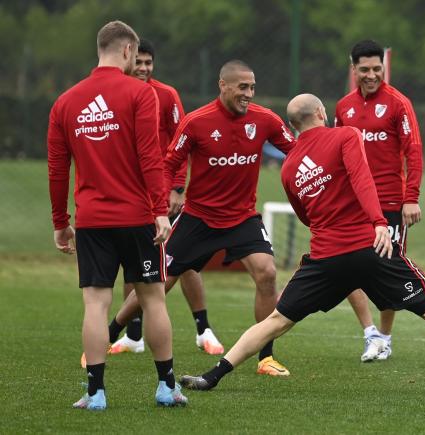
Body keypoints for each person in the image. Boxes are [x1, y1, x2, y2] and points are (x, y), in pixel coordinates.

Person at [179, 93, 425, 398]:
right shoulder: (345, 135)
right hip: (370, 249)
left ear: (292, 126)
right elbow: (362, 179)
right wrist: (380, 223)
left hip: (325, 257)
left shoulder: (288, 167)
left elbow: (306, 216)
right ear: (322, 113)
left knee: (277, 320)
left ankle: (213, 375)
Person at [107, 59, 296, 377]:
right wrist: (163, 202)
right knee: (157, 285)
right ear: (223, 85)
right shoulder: (197, 122)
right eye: (242, 87)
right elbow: (168, 165)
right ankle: (109, 334)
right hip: (199, 218)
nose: (248, 93)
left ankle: (266, 357)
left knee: (267, 274)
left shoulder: (265, 120)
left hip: (242, 218)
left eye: (252, 87)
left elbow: (297, 150)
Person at [47, 20, 187, 410]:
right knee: (153, 299)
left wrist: (61, 222)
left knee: (95, 304)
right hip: (138, 217)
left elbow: (58, 168)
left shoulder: (66, 101)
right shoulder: (140, 93)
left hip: (91, 220)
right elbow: (149, 156)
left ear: (100, 49)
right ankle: (166, 387)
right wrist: (160, 211)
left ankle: (95, 393)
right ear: (128, 51)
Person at [109, 39, 218, 356]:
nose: (143, 68)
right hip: (129, 195)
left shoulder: (167, 95)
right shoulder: (115, 95)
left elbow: (184, 142)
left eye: (148, 63)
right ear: (128, 62)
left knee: (183, 262)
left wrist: (176, 188)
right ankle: (133, 336)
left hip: (163, 195)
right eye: (138, 62)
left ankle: (203, 330)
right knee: (132, 263)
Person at [334, 39, 423, 362]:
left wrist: (410, 198)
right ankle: (369, 332)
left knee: (387, 270)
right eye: (365, 69)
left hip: (388, 202)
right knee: (343, 266)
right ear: (353, 68)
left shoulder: (399, 103)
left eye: (377, 69)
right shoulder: (343, 107)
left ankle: (384, 337)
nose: (371, 75)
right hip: (351, 203)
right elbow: (335, 154)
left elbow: (414, 151)